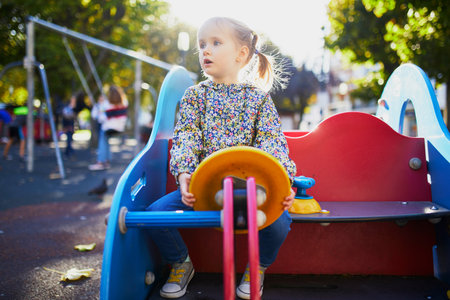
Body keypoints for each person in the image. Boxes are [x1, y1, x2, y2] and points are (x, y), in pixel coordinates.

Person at [146, 17, 296, 299]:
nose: (205, 50)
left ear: (241, 54)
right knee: (155, 215)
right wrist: (183, 175)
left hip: (252, 189)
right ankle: (181, 262)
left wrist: (283, 183)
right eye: (202, 44)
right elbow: (187, 136)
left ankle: (257, 266)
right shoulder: (194, 96)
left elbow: (273, 143)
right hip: (204, 186)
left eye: (216, 43)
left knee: (280, 222)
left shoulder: (258, 99)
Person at [89, 85, 128, 171]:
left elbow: (99, 117)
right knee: (105, 140)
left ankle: (101, 162)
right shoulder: (124, 102)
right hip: (119, 128)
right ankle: (106, 161)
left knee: (103, 139)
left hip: (108, 128)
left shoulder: (107, 104)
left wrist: (99, 105)